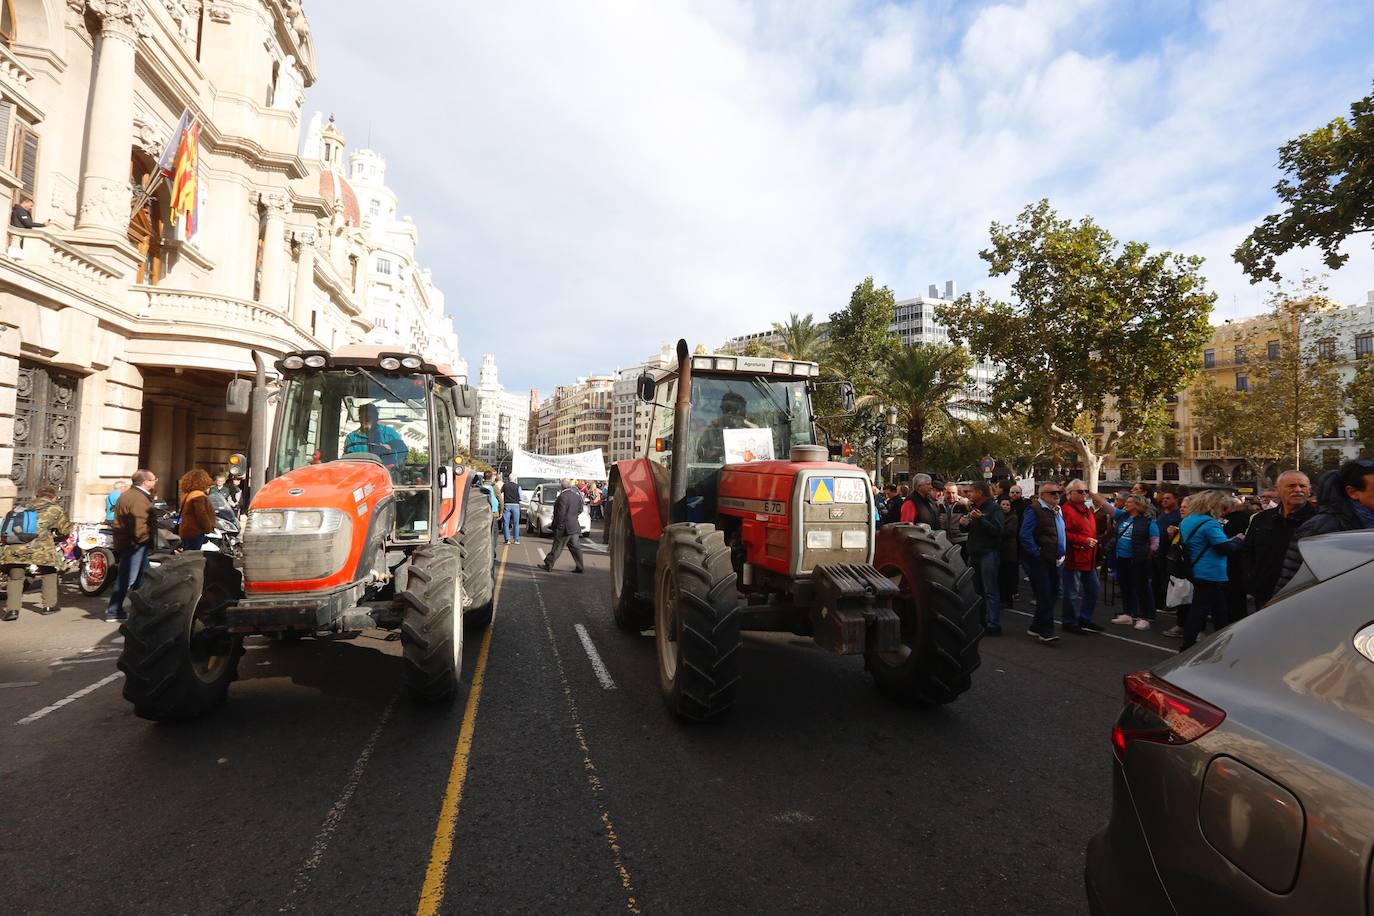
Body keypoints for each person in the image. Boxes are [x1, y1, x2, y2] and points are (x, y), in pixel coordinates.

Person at [1275, 459, 1374, 592]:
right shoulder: (1319, 529)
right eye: (1291, 486)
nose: (1297, 490)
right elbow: (1291, 586)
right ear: (1352, 492)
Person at [1178, 489, 1246, 651]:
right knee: (1200, 610)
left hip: (1196, 568)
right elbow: (1225, 548)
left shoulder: (1188, 520)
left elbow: (1204, 543)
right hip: (1210, 572)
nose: (1224, 512)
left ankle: (1222, 642)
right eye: (1223, 508)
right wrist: (1238, 540)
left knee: (1218, 609)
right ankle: (1188, 645)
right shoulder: (1209, 523)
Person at [1242, 470, 1314, 609]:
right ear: (1278, 490)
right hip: (1264, 594)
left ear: (1309, 490)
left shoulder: (1317, 521)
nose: (1298, 490)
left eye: (1302, 486)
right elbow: (1248, 551)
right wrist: (1251, 581)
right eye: (1291, 486)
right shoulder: (1261, 519)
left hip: (1303, 595)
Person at [1, 485, 72, 619]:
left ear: (36, 496)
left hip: (15, 546)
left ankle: (12, 611)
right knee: (49, 572)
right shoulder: (55, 509)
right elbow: (65, 530)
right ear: (54, 497)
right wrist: (56, 538)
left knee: (15, 577)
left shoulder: (20, 507)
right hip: (41, 548)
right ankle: (49, 606)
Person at [106, 469, 158, 622]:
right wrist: (144, 540)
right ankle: (114, 610)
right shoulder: (138, 498)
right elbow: (139, 524)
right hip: (134, 544)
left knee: (144, 577)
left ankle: (142, 608)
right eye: (154, 479)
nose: (155, 481)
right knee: (128, 577)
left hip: (133, 543)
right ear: (145, 482)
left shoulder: (131, 494)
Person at [1018, 481, 1066, 645]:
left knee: (1051, 593)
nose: (1057, 495)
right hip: (1041, 560)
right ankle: (1046, 631)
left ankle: (1036, 626)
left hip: (1054, 559)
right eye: (1053, 493)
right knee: (1045, 595)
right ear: (1043, 495)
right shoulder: (1035, 509)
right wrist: (1037, 553)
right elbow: (1025, 534)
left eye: (1058, 492)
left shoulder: (1057, 510)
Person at [1061, 480, 1105, 633]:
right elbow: (1063, 533)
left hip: (1089, 557)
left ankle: (1085, 618)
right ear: (1069, 494)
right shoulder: (1066, 510)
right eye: (1080, 491)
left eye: (1086, 491)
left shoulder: (1086, 509)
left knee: (1093, 589)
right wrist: (1083, 540)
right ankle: (1069, 621)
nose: (1084, 494)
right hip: (1074, 556)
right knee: (1071, 592)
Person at [961, 482, 1006, 635]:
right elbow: (971, 529)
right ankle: (980, 622)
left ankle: (993, 624)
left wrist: (981, 519)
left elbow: (998, 531)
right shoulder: (975, 508)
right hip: (974, 554)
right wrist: (964, 524)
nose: (968, 494)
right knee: (976, 591)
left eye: (971, 491)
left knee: (990, 590)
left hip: (988, 554)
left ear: (980, 492)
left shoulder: (994, 508)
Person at [1109, 495, 1159, 631]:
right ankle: (1127, 614)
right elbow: (1106, 506)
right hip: (1122, 558)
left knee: (1141, 588)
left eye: (1130, 502)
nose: (1126, 503)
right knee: (1125, 586)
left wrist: (1146, 555)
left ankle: (1144, 617)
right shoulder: (1123, 517)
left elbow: (1155, 543)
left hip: (1138, 559)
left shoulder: (1148, 521)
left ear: (1138, 505)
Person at [343, 403, 408, 472]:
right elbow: (347, 461)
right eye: (363, 417)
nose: (366, 419)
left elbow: (403, 453)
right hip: (360, 476)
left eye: (369, 416)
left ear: (376, 418)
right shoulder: (352, 438)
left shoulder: (390, 433)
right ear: (359, 418)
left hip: (386, 475)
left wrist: (390, 451)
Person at [541, 479, 585, 573]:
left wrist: (558, 525)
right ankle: (580, 566)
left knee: (557, 547)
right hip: (573, 525)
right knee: (576, 548)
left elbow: (560, 513)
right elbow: (580, 509)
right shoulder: (576, 496)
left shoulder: (562, 497)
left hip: (564, 526)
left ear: (561, 487)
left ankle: (548, 564)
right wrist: (573, 516)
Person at [1221, 495, 1253, 622]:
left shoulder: (1228, 522)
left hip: (1230, 561)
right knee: (1239, 595)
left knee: (1231, 595)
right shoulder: (1248, 518)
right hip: (1243, 561)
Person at [177, 469, 217, 551]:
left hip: (186, 530)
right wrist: (208, 528)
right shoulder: (198, 495)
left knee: (188, 553)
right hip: (195, 531)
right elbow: (201, 514)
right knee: (193, 556)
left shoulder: (188, 495)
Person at [997, 498, 1021, 609]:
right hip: (999, 550)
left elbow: (1009, 532)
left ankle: (1008, 599)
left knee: (1009, 576)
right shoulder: (997, 516)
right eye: (1003, 504)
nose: (1005, 506)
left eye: (1007, 505)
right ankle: (1002, 598)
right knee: (1001, 576)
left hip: (1009, 551)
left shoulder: (1013, 517)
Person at [500, 474, 523, 545]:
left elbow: (500, 492)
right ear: (515, 479)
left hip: (507, 505)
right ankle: (516, 539)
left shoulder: (505, 485)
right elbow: (521, 497)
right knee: (516, 523)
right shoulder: (518, 486)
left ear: (508, 479)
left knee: (506, 523)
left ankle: (507, 539)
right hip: (516, 505)